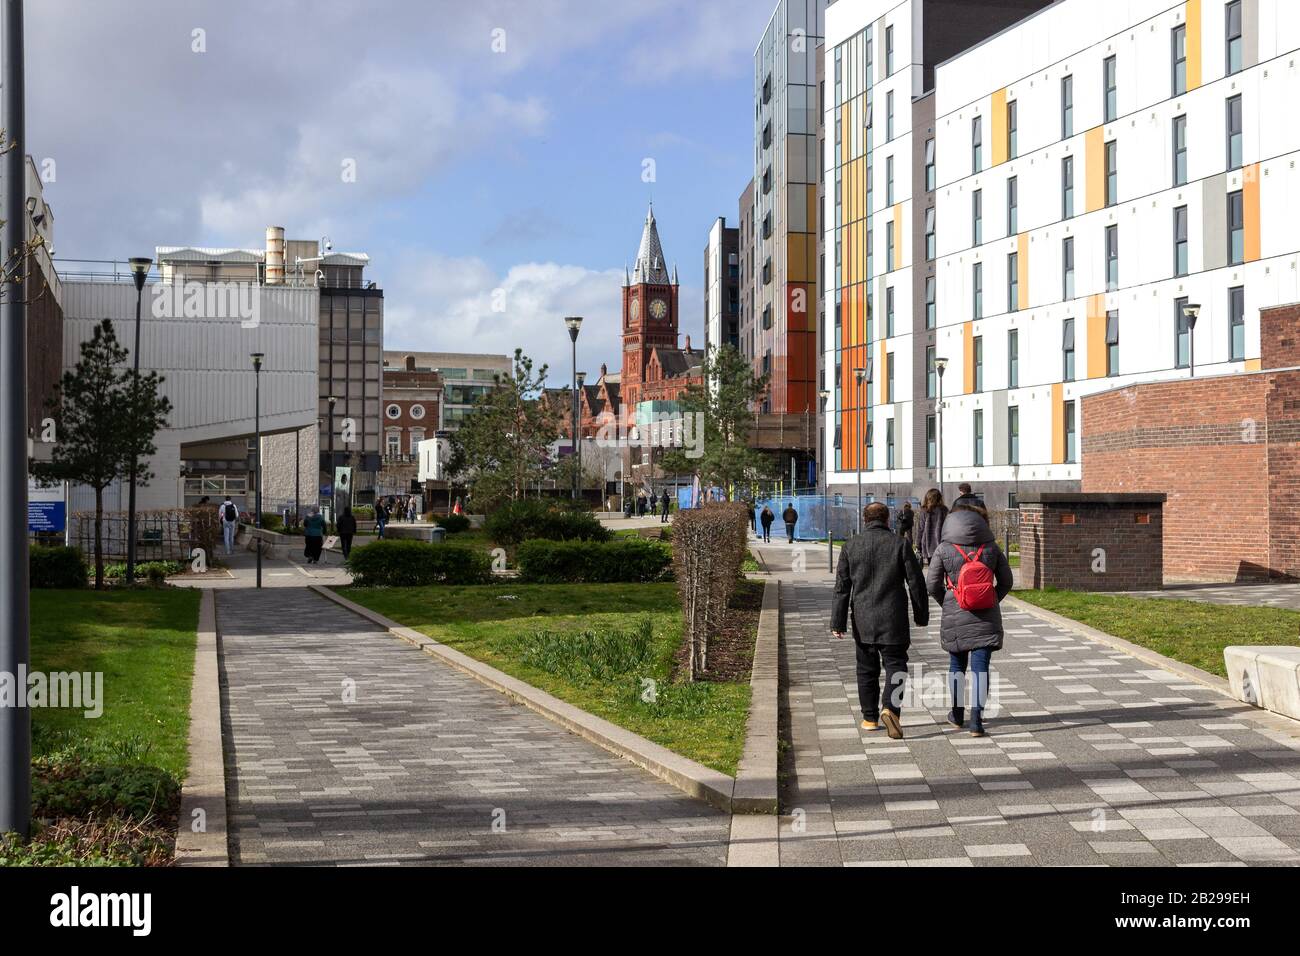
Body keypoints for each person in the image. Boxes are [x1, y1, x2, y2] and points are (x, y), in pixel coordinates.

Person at [832, 502, 929, 740]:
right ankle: (891, 709)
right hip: (893, 617)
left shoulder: (851, 546)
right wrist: (921, 615)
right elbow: (916, 583)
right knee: (896, 665)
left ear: (864, 520)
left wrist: (837, 622)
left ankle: (869, 718)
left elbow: (842, 587)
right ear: (887, 520)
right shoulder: (900, 544)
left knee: (866, 669)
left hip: (863, 618)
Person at [926, 503, 1013, 737]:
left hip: (955, 614)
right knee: (980, 669)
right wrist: (991, 599)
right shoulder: (992, 547)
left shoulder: (944, 548)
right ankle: (976, 720)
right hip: (986, 616)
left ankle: (956, 715)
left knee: (956, 667)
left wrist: (948, 601)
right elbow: (1007, 581)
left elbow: (932, 584)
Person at [915, 488, 948, 566]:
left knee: (933, 571)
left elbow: (920, 529)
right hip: (943, 545)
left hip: (928, 546)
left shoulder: (924, 511)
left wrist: (917, 545)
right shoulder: (944, 510)